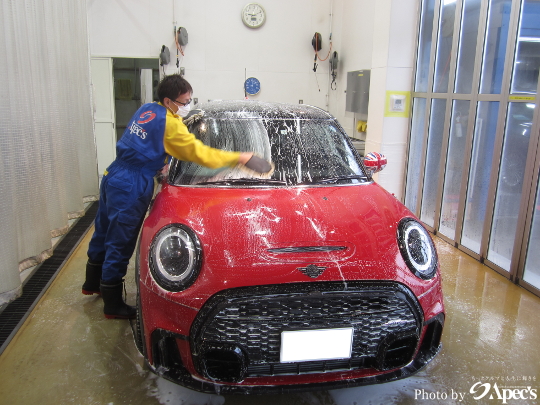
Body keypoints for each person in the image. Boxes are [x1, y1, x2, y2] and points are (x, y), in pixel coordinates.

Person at [82, 74, 271, 319]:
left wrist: (162, 159)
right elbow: (200, 154)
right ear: (168, 100)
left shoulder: (149, 109)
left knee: (103, 230)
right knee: (120, 241)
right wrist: (240, 158)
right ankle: (112, 304)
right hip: (132, 183)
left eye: (190, 100)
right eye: (184, 102)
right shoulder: (171, 126)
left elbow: (148, 140)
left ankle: (92, 283)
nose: (187, 106)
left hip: (114, 174)